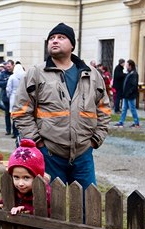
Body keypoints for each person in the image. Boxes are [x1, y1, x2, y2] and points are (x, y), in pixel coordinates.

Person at [11, 22, 110, 190]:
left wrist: (95, 140)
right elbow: (21, 111)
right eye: (51, 38)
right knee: (49, 208)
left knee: (87, 205)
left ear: (72, 45)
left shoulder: (92, 75)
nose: (54, 41)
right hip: (49, 155)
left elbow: (104, 110)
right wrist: (37, 142)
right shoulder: (36, 73)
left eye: (61, 37)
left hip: (83, 155)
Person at [6, 139, 51, 215]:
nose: (20, 183)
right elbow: (5, 199)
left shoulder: (45, 193)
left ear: (37, 177)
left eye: (26, 178)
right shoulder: (12, 189)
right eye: (16, 177)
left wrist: (26, 208)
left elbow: (45, 209)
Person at [113, 59, 140, 127]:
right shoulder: (129, 73)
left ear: (130, 66)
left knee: (132, 109)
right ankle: (121, 122)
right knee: (124, 109)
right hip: (126, 95)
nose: (126, 67)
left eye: (127, 65)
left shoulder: (134, 74)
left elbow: (133, 86)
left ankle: (136, 122)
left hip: (130, 95)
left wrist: (129, 93)